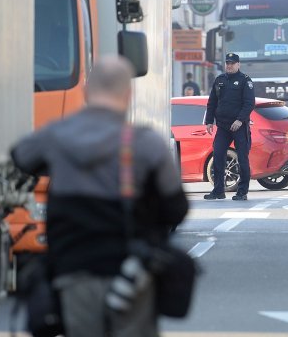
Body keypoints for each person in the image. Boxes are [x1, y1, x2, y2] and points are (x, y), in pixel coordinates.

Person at [11, 56, 188, 336]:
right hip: (134, 276)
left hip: (73, 273)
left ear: (85, 93)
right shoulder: (146, 144)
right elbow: (177, 209)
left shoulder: (56, 136)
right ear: (128, 95)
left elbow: (20, 157)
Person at [203, 52, 255, 201]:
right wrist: (209, 121)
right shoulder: (219, 80)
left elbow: (249, 103)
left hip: (239, 126)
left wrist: (240, 120)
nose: (229, 65)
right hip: (223, 127)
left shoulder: (245, 81)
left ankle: (242, 192)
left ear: (238, 65)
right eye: (227, 63)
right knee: (218, 155)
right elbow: (212, 102)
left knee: (242, 159)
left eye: (232, 63)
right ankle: (218, 190)